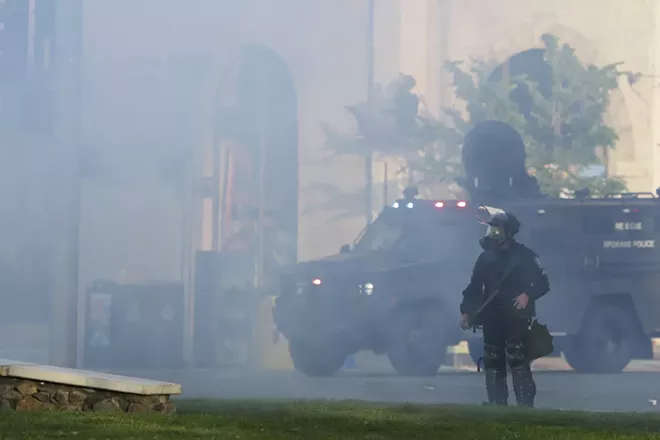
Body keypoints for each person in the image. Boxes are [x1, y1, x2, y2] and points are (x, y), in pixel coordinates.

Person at [459, 207, 550, 407]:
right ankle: (496, 405)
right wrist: (466, 310)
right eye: (491, 230)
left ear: (508, 232)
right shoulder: (485, 258)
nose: (493, 234)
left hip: (516, 317)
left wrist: (528, 294)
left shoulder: (525, 256)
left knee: (517, 359)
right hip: (492, 317)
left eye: (497, 230)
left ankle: (525, 406)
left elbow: (543, 283)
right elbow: (474, 287)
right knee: (492, 361)